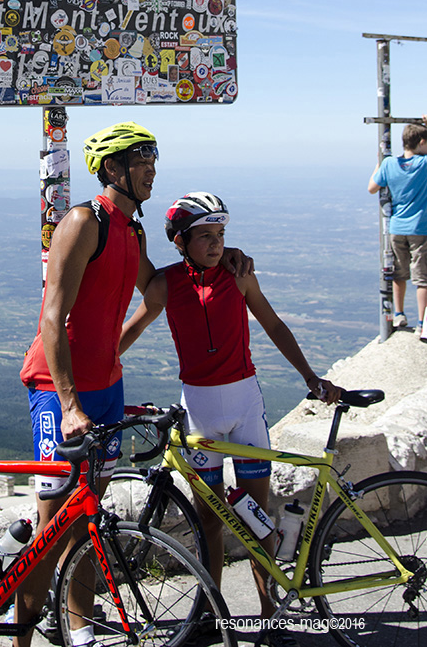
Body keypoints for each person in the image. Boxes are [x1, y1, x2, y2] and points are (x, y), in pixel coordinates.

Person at [16, 127, 251, 647]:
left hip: (106, 387)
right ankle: (21, 640)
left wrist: (222, 254)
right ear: (112, 168)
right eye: (141, 159)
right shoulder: (83, 222)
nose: (151, 168)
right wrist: (71, 403)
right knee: (52, 528)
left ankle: (79, 632)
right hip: (59, 390)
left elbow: (158, 286)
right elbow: (52, 319)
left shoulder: (134, 232)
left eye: (153, 157)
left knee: (85, 524)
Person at [120, 192, 340, 647]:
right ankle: (209, 611)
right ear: (181, 242)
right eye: (206, 236)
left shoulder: (238, 276)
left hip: (244, 407)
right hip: (199, 409)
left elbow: (274, 325)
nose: (218, 244)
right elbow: (134, 328)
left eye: (221, 235)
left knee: (257, 517)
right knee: (208, 520)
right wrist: (82, 375)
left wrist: (310, 376)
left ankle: (270, 611)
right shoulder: (165, 284)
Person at [368, 123, 427, 339]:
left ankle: (399, 313)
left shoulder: (390, 164)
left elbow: (372, 187)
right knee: (423, 278)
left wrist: (379, 163)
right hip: (421, 228)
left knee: (399, 274)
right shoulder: (424, 164)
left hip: (396, 227)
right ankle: (422, 323)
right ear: (421, 142)